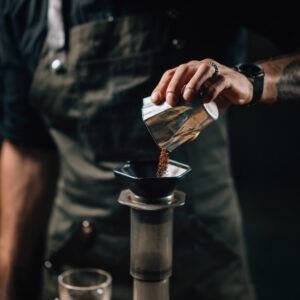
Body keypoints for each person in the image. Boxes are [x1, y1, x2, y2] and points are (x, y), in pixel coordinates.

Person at [0, 1, 299, 300]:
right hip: (80, 267)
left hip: (201, 262)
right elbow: (27, 149)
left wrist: (252, 81)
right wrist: (9, 280)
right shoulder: (25, 8)